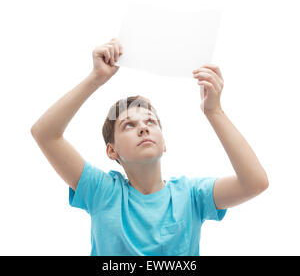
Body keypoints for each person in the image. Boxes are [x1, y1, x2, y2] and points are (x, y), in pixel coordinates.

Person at [31, 38, 269, 256]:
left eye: (150, 122)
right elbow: (45, 134)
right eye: (128, 125)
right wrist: (96, 78)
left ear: (163, 143)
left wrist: (214, 111)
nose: (143, 128)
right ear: (112, 151)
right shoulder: (102, 192)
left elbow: (255, 182)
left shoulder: (191, 195)